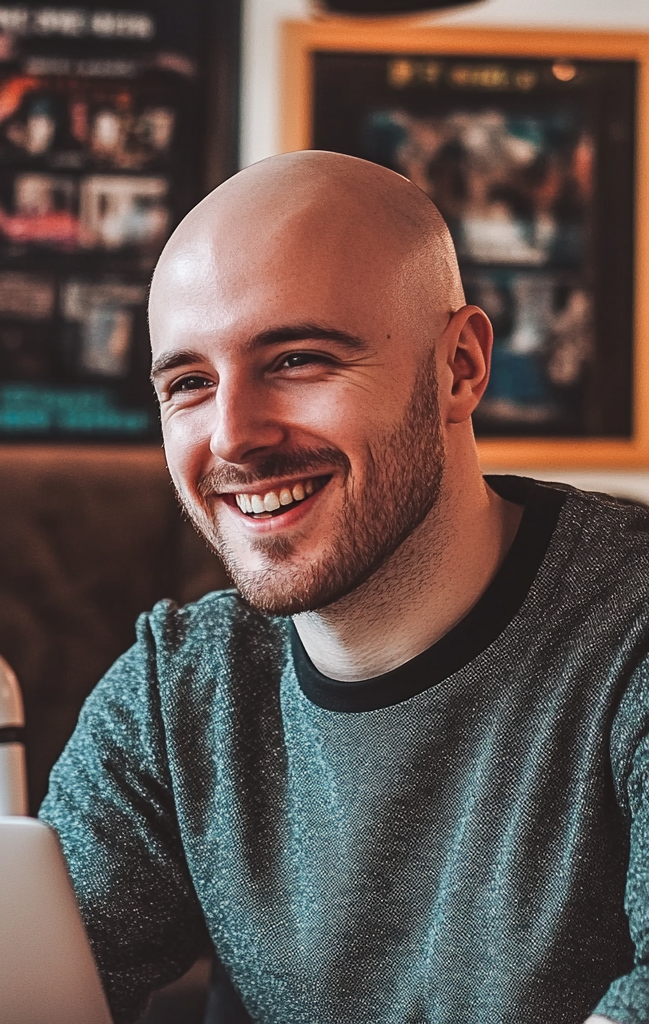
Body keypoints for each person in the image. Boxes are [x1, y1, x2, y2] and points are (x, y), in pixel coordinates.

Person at [38, 151, 647, 1024]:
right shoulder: (177, 691)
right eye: (189, 384)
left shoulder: (627, 636)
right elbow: (13, 984)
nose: (234, 439)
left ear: (460, 368)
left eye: (296, 359)